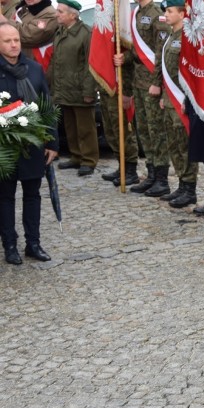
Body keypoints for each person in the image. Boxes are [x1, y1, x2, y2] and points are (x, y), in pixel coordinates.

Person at [0, 22, 57, 265]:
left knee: (33, 195)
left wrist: (53, 143)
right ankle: (10, 245)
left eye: (16, 40)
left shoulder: (33, 69)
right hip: (5, 147)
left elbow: (47, 106)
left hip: (33, 145)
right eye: (7, 41)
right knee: (5, 197)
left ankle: (33, 243)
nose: (14, 45)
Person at [113, 0, 171, 195]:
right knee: (144, 131)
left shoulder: (157, 15)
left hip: (151, 83)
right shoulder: (137, 12)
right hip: (139, 81)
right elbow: (138, 52)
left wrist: (157, 82)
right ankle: (152, 174)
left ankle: (162, 179)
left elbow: (161, 53)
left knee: (157, 132)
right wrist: (125, 58)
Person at [48, 0, 98, 177]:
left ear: (73, 15)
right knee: (70, 126)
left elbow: (90, 65)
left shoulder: (86, 33)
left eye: (61, 12)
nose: (57, 14)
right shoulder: (60, 31)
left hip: (79, 88)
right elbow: (56, 61)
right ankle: (76, 156)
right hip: (64, 88)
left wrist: (88, 91)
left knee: (85, 127)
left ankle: (89, 160)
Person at [157, 0, 198, 207]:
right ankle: (182, 184)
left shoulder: (187, 37)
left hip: (181, 100)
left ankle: (190, 187)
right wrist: (165, 97)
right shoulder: (171, 36)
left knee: (184, 145)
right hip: (169, 99)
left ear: (182, 14)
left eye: (170, 11)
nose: (166, 13)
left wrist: (187, 99)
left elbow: (191, 72)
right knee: (173, 143)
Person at [0, 0, 57, 69]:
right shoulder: (23, 8)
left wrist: (5, 22)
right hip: (18, 63)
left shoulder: (50, 14)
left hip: (35, 66)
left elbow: (29, 36)